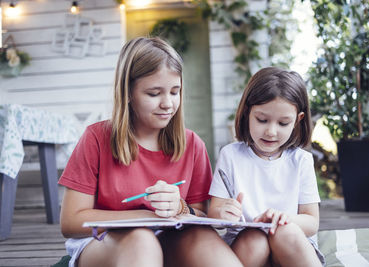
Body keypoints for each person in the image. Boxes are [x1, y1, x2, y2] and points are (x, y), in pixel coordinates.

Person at [58, 37, 243, 267]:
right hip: (103, 243)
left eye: (175, 92)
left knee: (203, 238)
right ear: (128, 93)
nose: (167, 103)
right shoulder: (96, 138)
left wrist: (181, 208)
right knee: (141, 239)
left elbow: (203, 215)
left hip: (171, 239)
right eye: (154, 94)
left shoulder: (192, 144)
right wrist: (145, 217)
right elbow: (71, 222)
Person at [208, 67, 325, 267]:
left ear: (298, 121)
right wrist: (224, 212)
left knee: (285, 231)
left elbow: (312, 222)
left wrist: (283, 219)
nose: (271, 131)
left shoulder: (301, 161)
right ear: (247, 113)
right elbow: (214, 213)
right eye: (262, 120)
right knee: (255, 239)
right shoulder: (231, 155)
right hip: (247, 247)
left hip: (290, 246)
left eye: (283, 123)